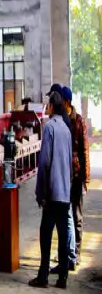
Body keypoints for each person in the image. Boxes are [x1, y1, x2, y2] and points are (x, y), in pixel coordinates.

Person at [30, 91, 73, 289]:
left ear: (52, 107)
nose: (46, 108)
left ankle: (43, 276)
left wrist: (41, 193)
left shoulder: (49, 128)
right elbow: (69, 163)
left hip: (52, 192)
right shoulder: (66, 129)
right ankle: (63, 277)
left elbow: (45, 162)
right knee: (63, 235)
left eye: (47, 105)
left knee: (45, 233)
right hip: (64, 192)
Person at [51, 86, 90, 275]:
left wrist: (85, 178)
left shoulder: (77, 121)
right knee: (66, 215)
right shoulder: (63, 120)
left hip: (76, 175)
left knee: (76, 216)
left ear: (66, 102)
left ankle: (76, 254)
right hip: (65, 175)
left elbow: (85, 150)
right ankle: (67, 253)